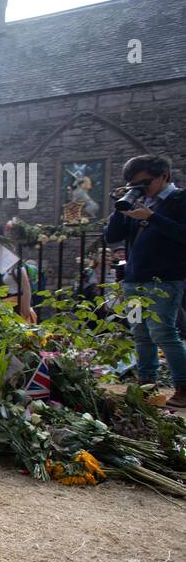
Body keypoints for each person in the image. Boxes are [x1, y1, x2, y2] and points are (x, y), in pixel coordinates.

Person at [104, 155, 186, 407]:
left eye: (144, 182)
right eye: (133, 184)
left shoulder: (180, 200)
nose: (139, 188)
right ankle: (147, 383)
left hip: (165, 280)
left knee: (162, 332)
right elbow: (111, 236)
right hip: (134, 281)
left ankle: (183, 387)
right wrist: (121, 206)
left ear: (164, 177)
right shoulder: (137, 202)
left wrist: (151, 217)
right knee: (140, 333)